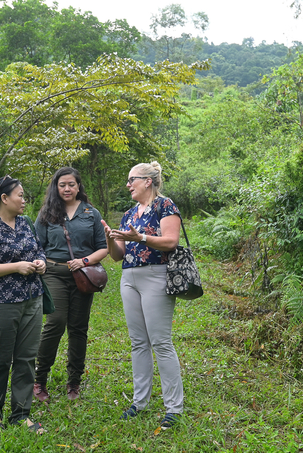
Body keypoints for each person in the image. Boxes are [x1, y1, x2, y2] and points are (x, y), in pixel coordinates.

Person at [101, 161, 183, 430]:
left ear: (148, 181)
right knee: (138, 342)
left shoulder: (165, 206)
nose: (128, 184)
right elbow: (117, 256)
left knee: (160, 342)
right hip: (129, 279)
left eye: (131, 179)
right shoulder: (128, 214)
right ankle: (140, 401)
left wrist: (142, 238)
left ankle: (173, 407)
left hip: (157, 276)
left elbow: (171, 241)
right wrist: (111, 239)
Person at [0, 176, 46, 433]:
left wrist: (40, 262)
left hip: (32, 300)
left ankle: (21, 414)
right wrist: (16, 267)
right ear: (4, 199)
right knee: (0, 359)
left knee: (26, 359)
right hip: (1, 303)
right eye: (20, 196)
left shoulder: (25, 224)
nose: (24, 201)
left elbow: (38, 250)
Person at [33, 167, 108, 402]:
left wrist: (84, 260)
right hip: (54, 273)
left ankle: (74, 381)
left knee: (78, 328)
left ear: (78, 187)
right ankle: (40, 379)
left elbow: (103, 247)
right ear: (56, 187)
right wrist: (39, 264)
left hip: (83, 276)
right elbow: (37, 246)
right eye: (62, 184)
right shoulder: (47, 213)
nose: (67, 188)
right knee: (54, 323)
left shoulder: (91, 213)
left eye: (71, 184)